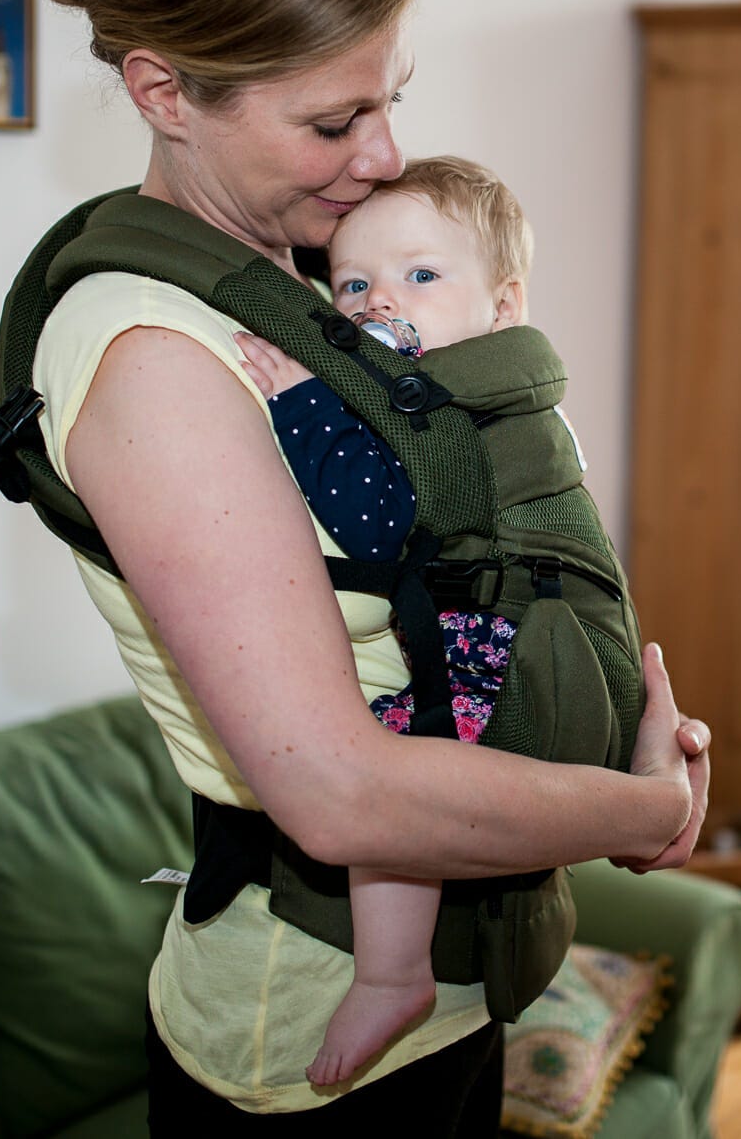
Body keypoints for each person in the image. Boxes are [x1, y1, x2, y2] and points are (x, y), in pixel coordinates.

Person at [24, 0, 708, 1133]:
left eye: (390, 97)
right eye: (336, 119)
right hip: (314, 1031)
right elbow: (338, 786)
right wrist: (642, 804)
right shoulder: (158, 356)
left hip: (449, 983)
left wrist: (608, 697)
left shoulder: (305, 275)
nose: (387, 154)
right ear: (165, 93)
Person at [232, 155, 591, 1086]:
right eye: (353, 284)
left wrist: (301, 401)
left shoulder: (459, 407)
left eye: (420, 276)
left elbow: (381, 519)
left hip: (504, 649)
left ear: (503, 306)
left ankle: (392, 973)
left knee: (390, 785)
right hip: (544, 639)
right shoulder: (502, 382)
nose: (376, 301)